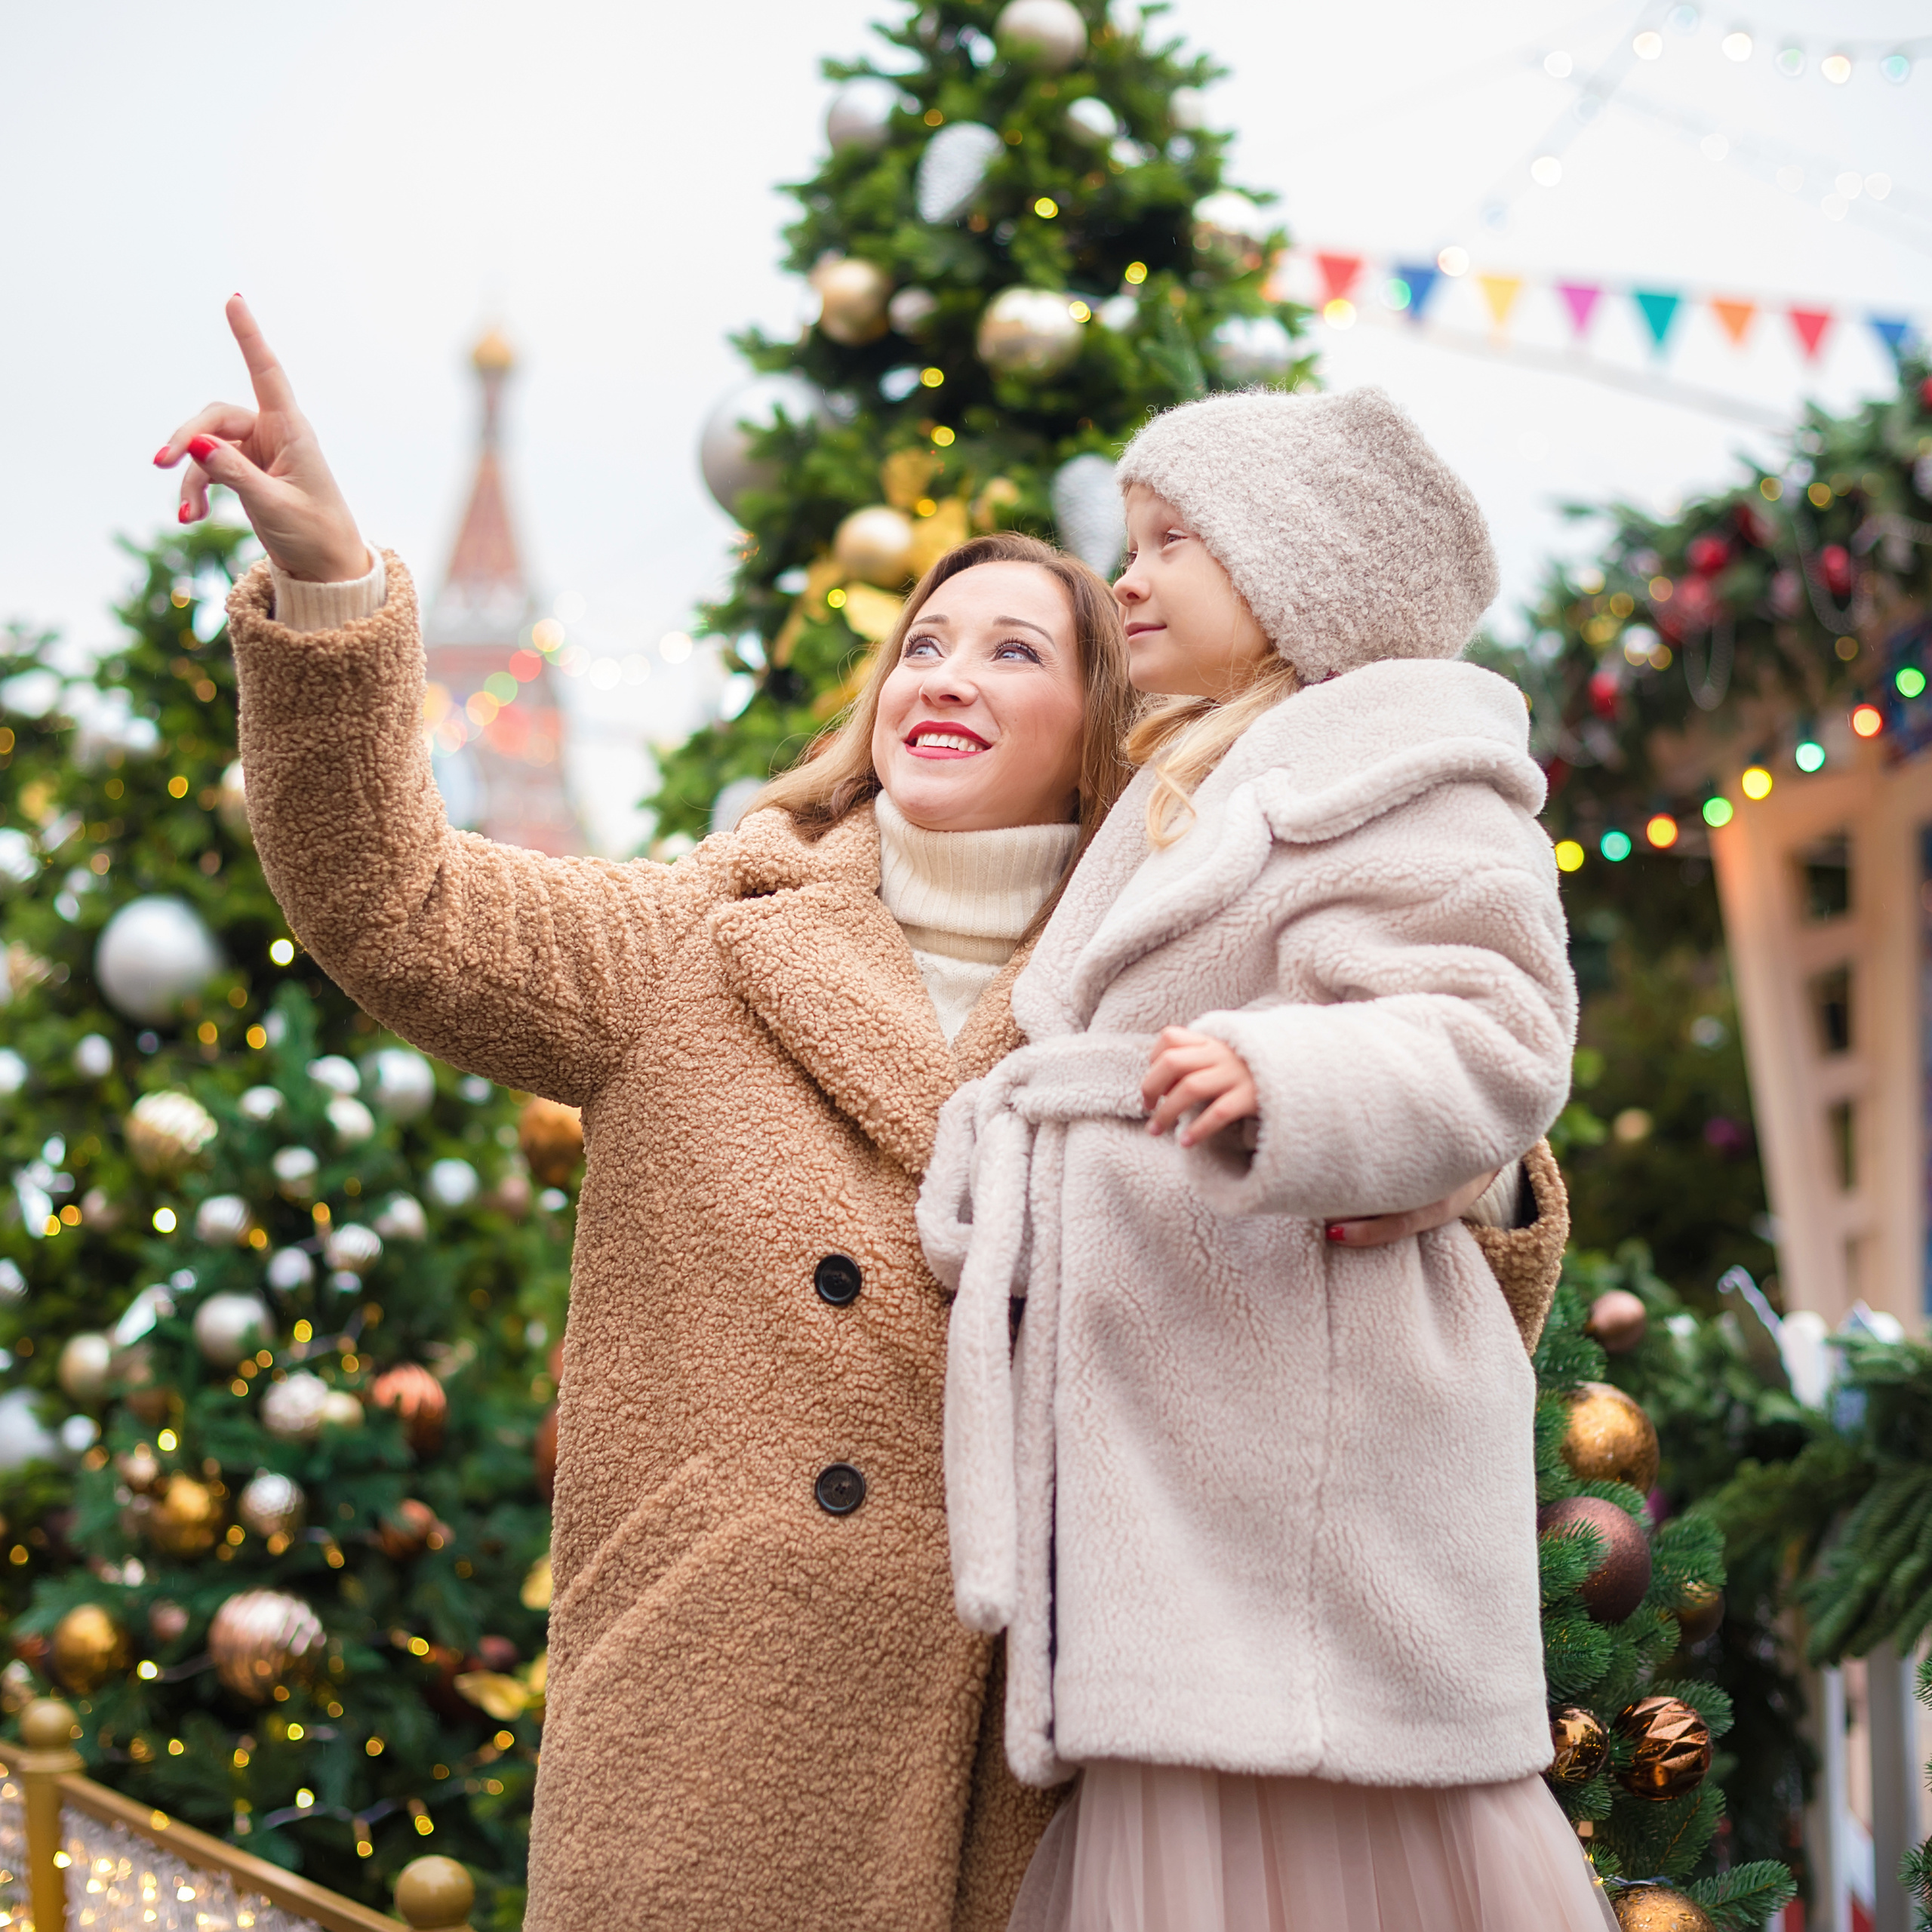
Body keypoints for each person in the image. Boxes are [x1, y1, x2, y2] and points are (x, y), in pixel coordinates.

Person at [157, 301, 1569, 1932]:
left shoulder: (1163, 977)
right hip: (714, 1730)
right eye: (923, 641)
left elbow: (1417, 1227)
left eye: (1012, 648)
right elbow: (391, 901)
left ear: (1100, 724)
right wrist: (331, 580)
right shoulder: (695, 937)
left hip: (1038, 1762)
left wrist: (1449, 1161)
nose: (945, 675)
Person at [924, 387, 1610, 1932]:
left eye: (1174, 540)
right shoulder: (1189, 780)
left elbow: (1493, 1032)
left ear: (1304, 573)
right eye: (1126, 539)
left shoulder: (1406, 773)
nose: (1128, 577)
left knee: (1291, 1860)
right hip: (1176, 1470)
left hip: (1305, 1494)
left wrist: (1288, 1077)